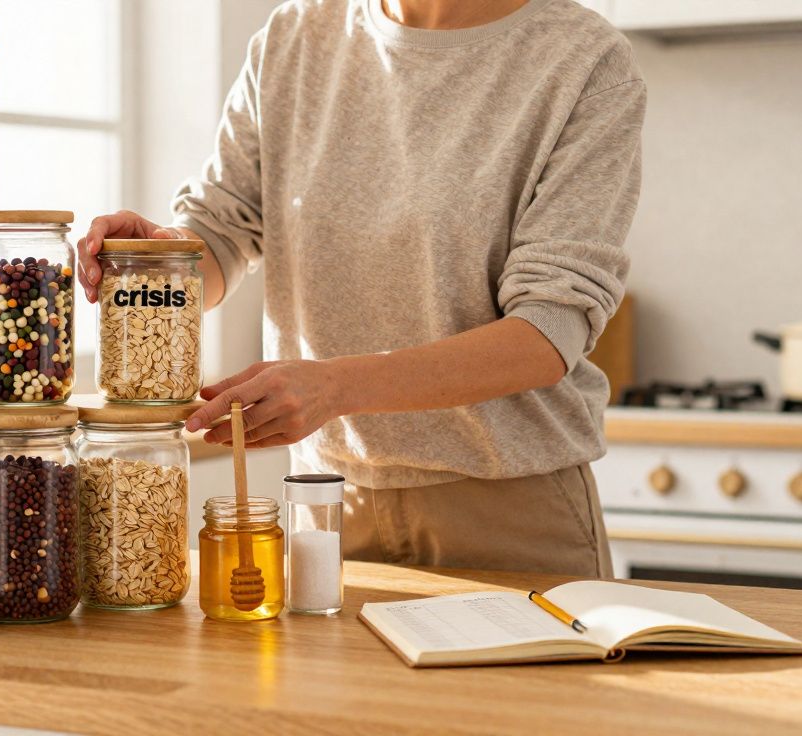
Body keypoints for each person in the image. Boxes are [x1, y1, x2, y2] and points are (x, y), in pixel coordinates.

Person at [77, 0, 644, 577]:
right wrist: (161, 261)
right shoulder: (295, 37)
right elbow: (222, 229)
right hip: (325, 507)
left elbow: (547, 332)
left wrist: (334, 387)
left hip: (508, 511)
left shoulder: (583, 60)